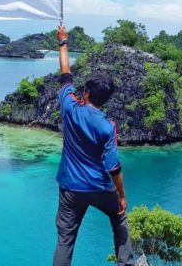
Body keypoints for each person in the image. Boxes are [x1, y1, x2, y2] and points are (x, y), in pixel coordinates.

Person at [53, 25, 134, 266]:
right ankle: (126, 263)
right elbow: (114, 167)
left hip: (69, 188)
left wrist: (63, 41)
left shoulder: (70, 107)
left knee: (65, 240)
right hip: (98, 187)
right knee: (119, 217)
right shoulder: (107, 126)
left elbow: (65, 72)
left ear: (86, 93)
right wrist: (121, 196)